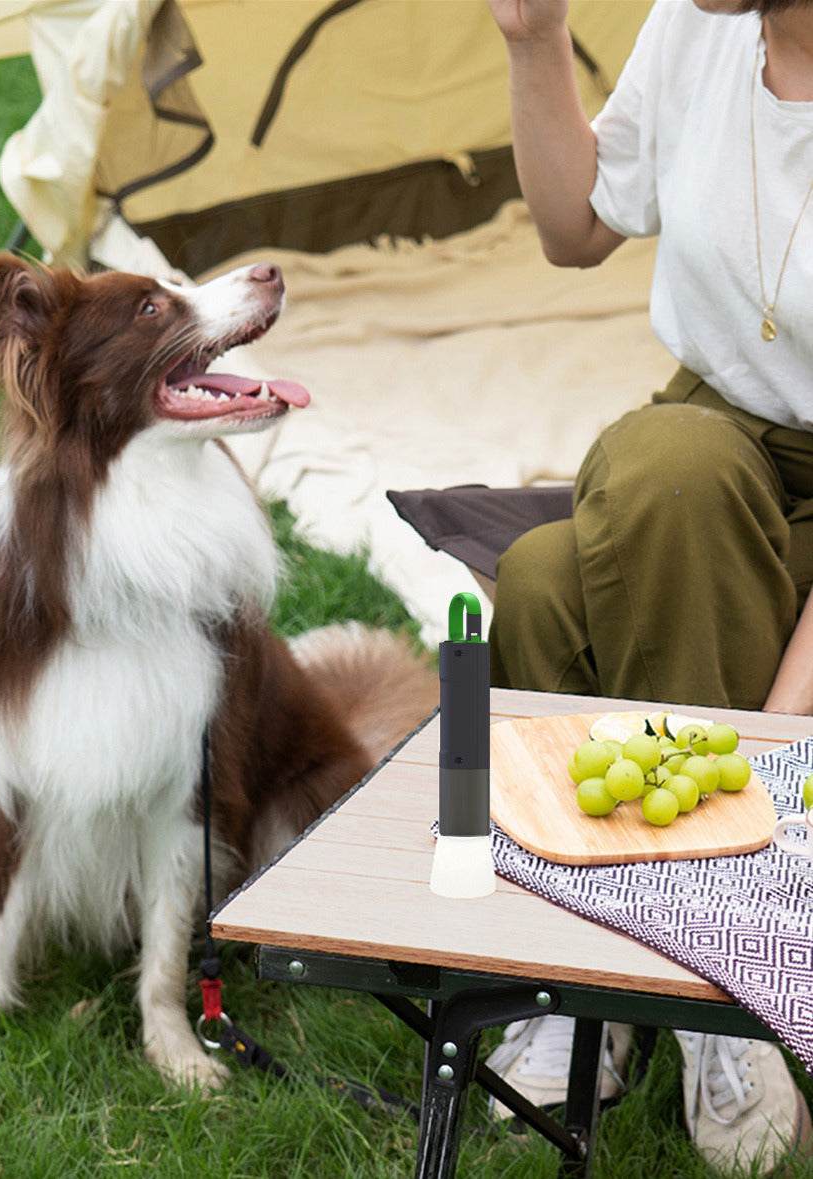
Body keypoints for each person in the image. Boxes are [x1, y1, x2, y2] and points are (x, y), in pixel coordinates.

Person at [482, 0, 813, 1173]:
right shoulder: (697, 25)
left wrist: (773, 737)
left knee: (663, 485)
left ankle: (720, 981)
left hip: (757, 492)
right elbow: (575, 228)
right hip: (707, 445)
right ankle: (595, 968)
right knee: (534, 580)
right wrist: (532, 41)